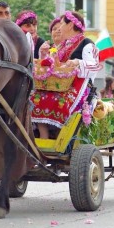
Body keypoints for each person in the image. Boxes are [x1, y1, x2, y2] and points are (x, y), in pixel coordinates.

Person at [31, 11, 101, 139]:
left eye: (62, 24)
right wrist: (44, 56)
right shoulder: (61, 45)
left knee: (60, 101)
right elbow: (52, 65)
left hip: (80, 87)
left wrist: (76, 63)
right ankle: (43, 135)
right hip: (58, 85)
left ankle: (61, 136)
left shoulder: (87, 43)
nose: (59, 28)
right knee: (35, 97)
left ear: (70, 26)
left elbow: (95, 66)